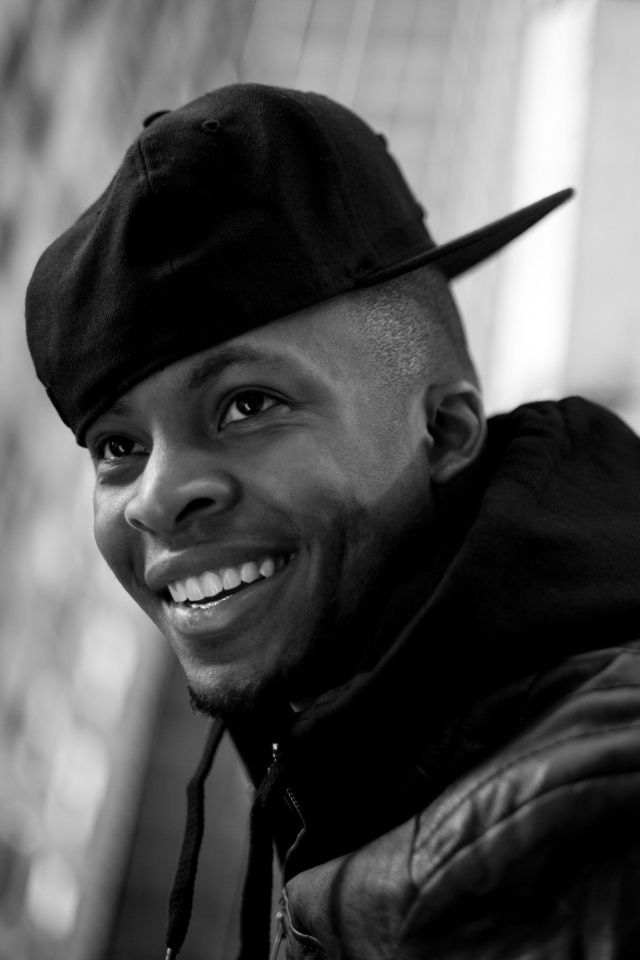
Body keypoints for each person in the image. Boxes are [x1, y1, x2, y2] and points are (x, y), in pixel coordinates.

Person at [25, 83, 640, 960]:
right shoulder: (377, 773)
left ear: (445, 431)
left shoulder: (555, 834)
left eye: (248, 404)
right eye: (117, 446)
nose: (155, 497)